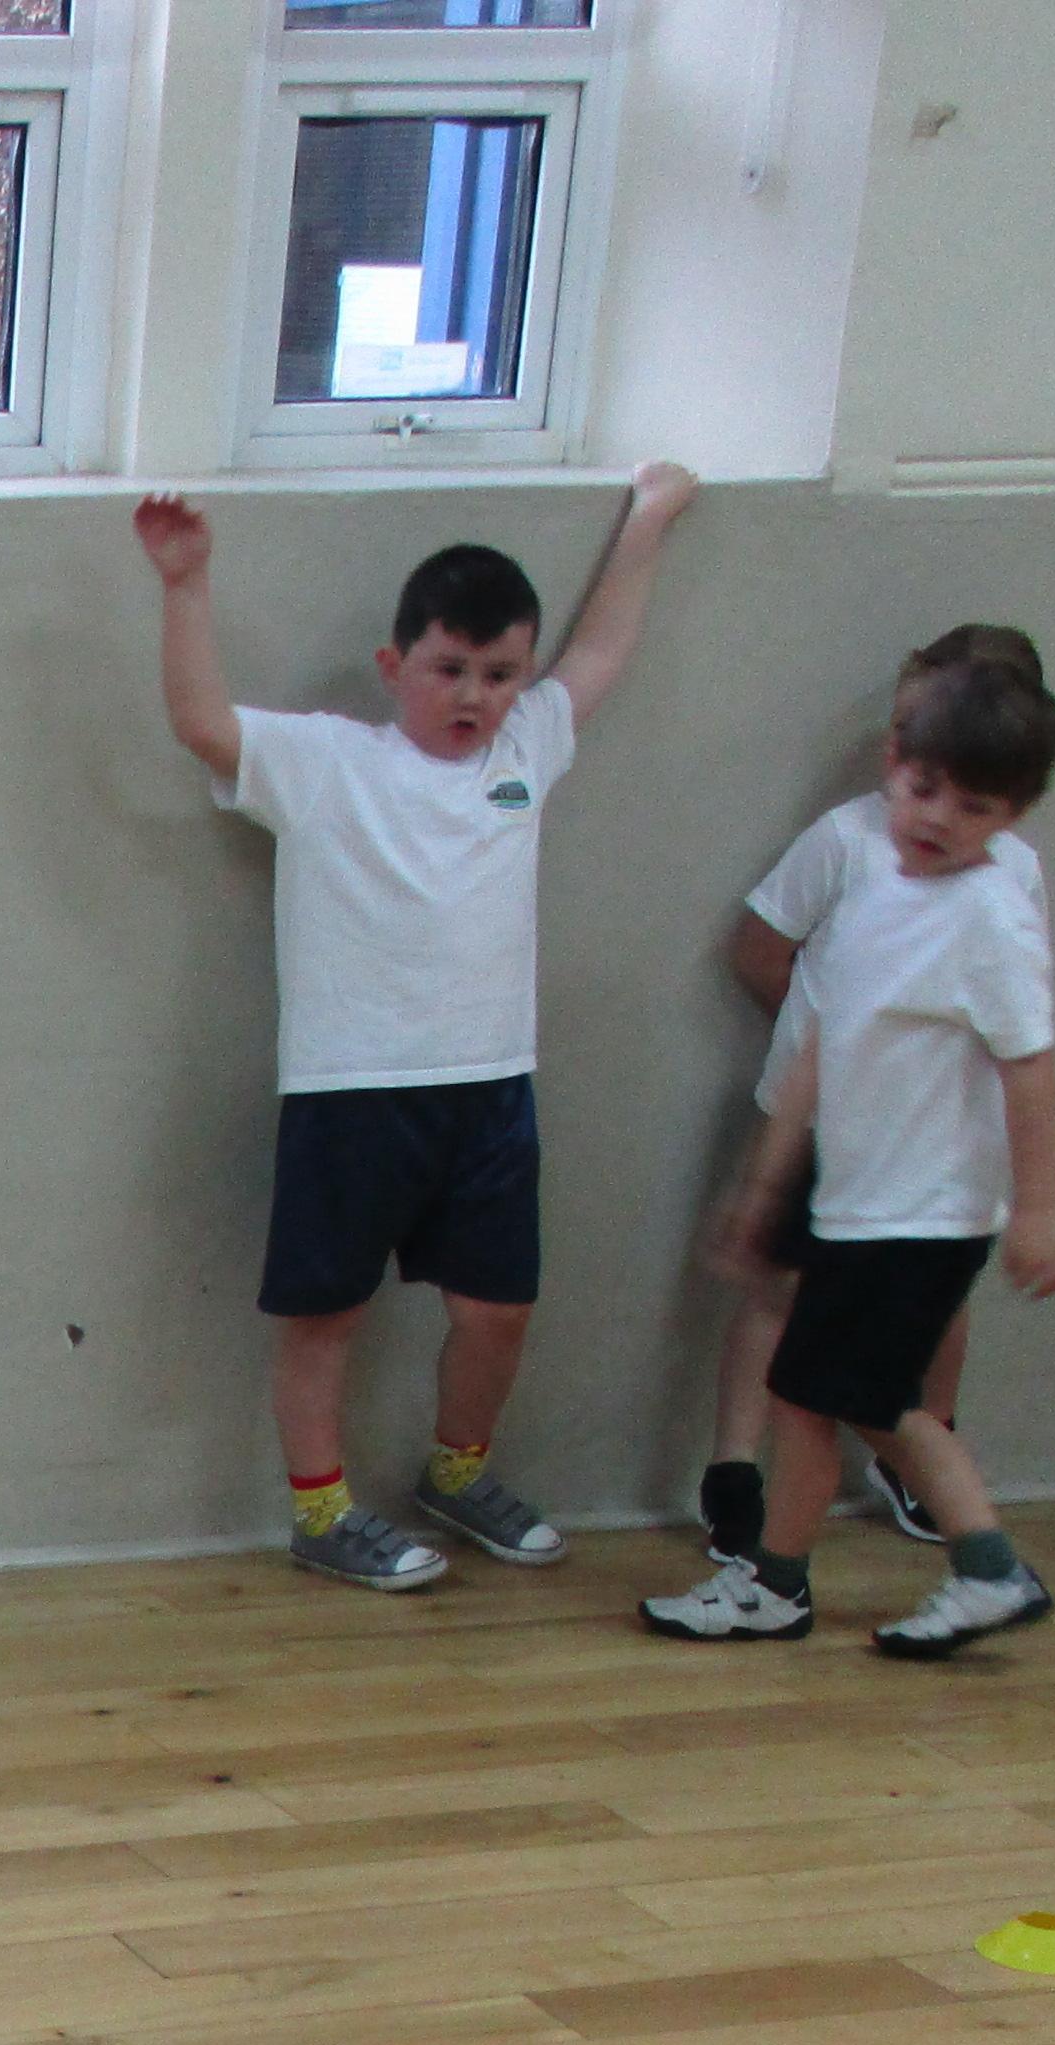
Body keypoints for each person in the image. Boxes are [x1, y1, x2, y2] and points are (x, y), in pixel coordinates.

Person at [137, 468, 698, 1589]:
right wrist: (186, 585)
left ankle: (456, 1474)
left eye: (499, 674)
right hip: (352, 1090)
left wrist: (649, 517)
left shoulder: (527, 750)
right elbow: (202, 723)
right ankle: (321, 1512)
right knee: (325, 1314)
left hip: (491, 1088)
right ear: (396, 667)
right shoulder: (328, 762)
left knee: (498, 1310)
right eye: (450, 669)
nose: (474, 695)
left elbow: (600, 650)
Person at [650, 653, 1055, 1652]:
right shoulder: (874, 885)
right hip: (851, 1203)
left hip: (924, 1218)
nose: (937, 818)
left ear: (1011, 816)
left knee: (869, 1403)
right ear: (894, 763)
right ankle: (782, 1582)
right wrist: (766, 1184)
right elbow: (817, 1049)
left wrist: (1041, 1208)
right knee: (810, 1398)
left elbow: (1029, 1071)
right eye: (925, 788)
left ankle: (985, 1569)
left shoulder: (992, 920)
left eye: (972, 807)